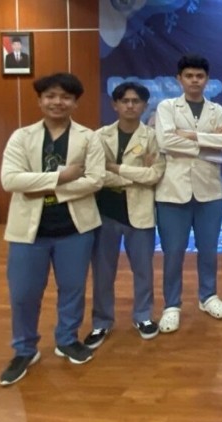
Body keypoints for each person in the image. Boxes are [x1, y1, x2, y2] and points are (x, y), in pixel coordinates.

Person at [0, 73, 104, 386]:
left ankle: (67, 339)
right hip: (28, 231)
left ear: (75, 103)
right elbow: (10, 180)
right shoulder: (22, 137)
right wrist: (62, 177)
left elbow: (95, 180)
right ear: (40, 100)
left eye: (65, 97)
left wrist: (41, 187)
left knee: (72, 289)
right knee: (23, 294)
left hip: (75, 228)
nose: (58, 102)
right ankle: (24, 349)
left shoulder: (89, 138)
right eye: (51, 96)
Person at [154, 54, 222, 332]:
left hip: (209, 192)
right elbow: (165, 141)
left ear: (207, 79)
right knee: (173, 252)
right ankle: (172, 305)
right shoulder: (167, 107)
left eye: (199, 76)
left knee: (209, 250)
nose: (194, 81)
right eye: (189, 76)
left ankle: (208, 296)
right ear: (179, 79)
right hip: (172, 191)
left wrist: (192, 136)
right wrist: (209, 145)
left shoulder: (217, 110)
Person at [82, 81, 166, 350]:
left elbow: (154, 175)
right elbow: (95, 175)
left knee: (143, 270)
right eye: (125, 101)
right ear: (115, 105)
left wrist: (116, 169)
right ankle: (101, 321)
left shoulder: (152, 137)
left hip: (139, 213)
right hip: (104, 213)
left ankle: (143, 316)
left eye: (136, 101)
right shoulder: (99, 136)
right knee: (103, 272)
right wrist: (134, 176)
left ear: (144, 106)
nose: (130, 105)